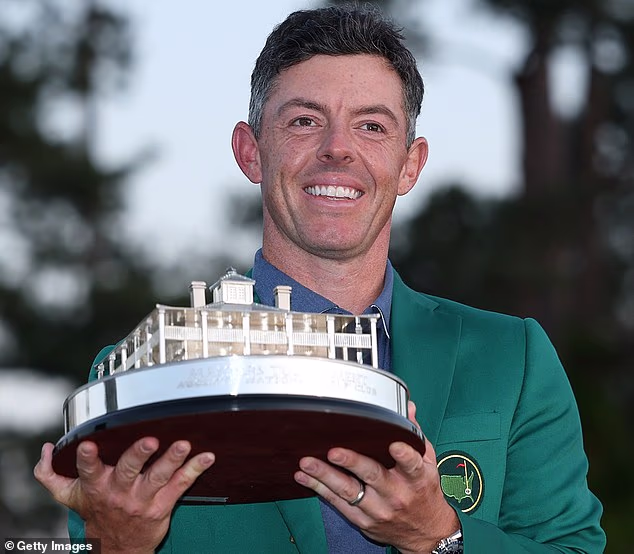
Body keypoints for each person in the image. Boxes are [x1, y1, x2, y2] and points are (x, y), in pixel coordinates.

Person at [35, 5, 606, 553]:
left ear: (410, 164)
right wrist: (120, 547)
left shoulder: (512, 359)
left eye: (371, 126)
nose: (337, 149)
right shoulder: (140, 377)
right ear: (250, 152)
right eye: (304, 121)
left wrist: (438, 536)